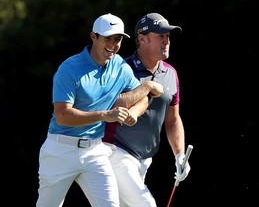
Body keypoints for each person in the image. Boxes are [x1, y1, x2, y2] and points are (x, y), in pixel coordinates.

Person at [36, 13, 163, 207]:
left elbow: (142, 98)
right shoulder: (69, 68)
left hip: (95, 152)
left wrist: (135, 111)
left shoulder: (120, 67)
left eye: (118, 39)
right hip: (60, 150)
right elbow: (63, 116)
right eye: (107, 38)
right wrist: (106, 115)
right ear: (93, 36)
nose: (113, 44)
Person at [103, 12, 191, 207]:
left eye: (168, 36)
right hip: (116, 151)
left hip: (145, 159)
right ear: (142, 39)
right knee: (146, 204)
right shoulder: (122, 69)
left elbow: (172, 119)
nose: (166, 41)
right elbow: (108, 106)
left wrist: (179, 155)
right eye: (161, 36)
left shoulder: (170, 73)